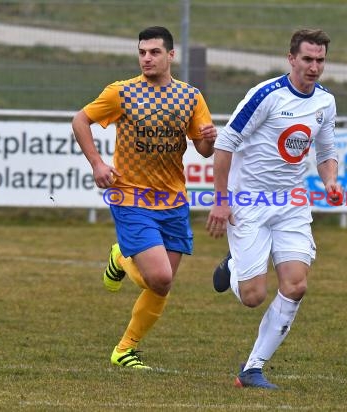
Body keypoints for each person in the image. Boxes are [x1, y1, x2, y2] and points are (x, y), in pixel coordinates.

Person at [72, 26, 217, 369]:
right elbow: (81, 120)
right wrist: (97, 163)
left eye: (154, 52)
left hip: (173, 201)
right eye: (142, 52)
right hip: (130, 196)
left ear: (171, 55)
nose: (147, 58)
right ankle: (122, 257)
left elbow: (205, 150)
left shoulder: (191, 97)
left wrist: (210, 137)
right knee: (161, 277)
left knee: (162, 286)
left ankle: (124, 350)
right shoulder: (122, 93)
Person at [206, 28, 342, 389]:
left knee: (296, 285)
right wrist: (221, 200)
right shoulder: (265, 95)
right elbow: (225, 143)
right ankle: (234, 266)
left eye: (320, 60)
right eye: (308, 59)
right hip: (248, 200)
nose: (314, 67)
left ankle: (252, 369)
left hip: (291, 203)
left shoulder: (325, 102)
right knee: (253, 297)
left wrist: (330, 181)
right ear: (291, 59)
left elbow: (326, 151)